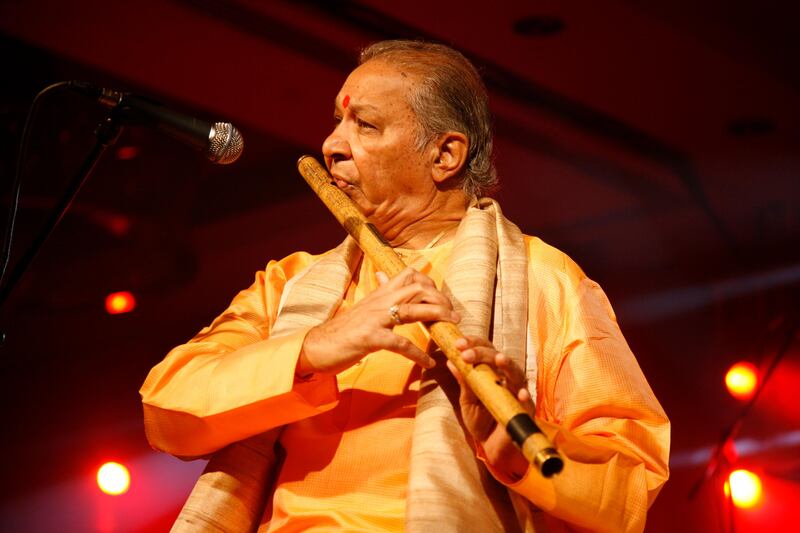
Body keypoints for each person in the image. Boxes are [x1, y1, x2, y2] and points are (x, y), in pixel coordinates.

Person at [140, 40, 669, 532]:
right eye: (337, 122)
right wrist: (313, 349)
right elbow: (168, 412)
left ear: (445, 155)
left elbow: (630, 488)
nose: (331, 145)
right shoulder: (288, 281)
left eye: (364, 125)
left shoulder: (543, 276)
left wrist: (516, 449)